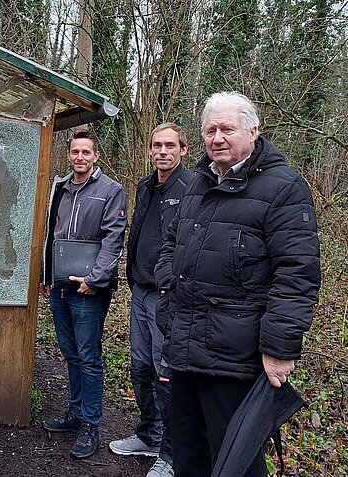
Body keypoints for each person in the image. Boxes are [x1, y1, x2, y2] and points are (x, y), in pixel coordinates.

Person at [154, 92, 320, 477]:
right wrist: (169, 294)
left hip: (235, 360)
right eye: (211, 130)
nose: (217, 138)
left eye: (227, 129)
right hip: (184, 350)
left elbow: (297, 273)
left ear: (253, 131)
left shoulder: (284, 189)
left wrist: (280, 348)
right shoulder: (197, 183)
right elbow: (170, 245)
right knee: (188, 456)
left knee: (234, 463)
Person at [109, 123, 194, 477]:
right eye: (157, 145)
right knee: (140, 366)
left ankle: (171, 454)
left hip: (169, 299)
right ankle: (148, 434)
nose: (163, 151)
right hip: (141, 292)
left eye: (170, 146)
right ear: (149, 150)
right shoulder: (145, 186)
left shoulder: (192, 188)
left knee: (166, 373)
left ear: (183, 150)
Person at [39, 130, 127, 459]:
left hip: (89, 290)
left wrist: (95, 278)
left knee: (89, 358)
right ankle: (75, 414)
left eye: (86, 152)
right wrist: (46, 275)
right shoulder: (59, 188)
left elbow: (112, 239)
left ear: (96, 156)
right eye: (75, 152)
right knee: (71, 354)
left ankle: (91, 424)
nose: (80, 157)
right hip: (60, 286)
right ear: (68, 155)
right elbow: (50, 234)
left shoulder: (110, 191)